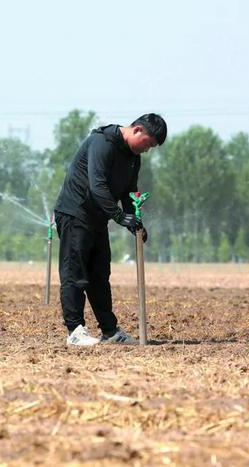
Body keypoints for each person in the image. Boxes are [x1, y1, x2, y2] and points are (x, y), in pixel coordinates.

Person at [53, 114, 167, 346]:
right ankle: (75, 331)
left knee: (99, 276)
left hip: (97, 219)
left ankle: (110, 331)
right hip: (75, 213)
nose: (147, 150)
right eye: (148, 143)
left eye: (152, 147)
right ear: (136, 130)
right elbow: (98, 185)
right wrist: (118, 217)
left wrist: (134, 222)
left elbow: (128, 192)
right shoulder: (102, 143)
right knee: (75, 274)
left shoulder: (133, 158)